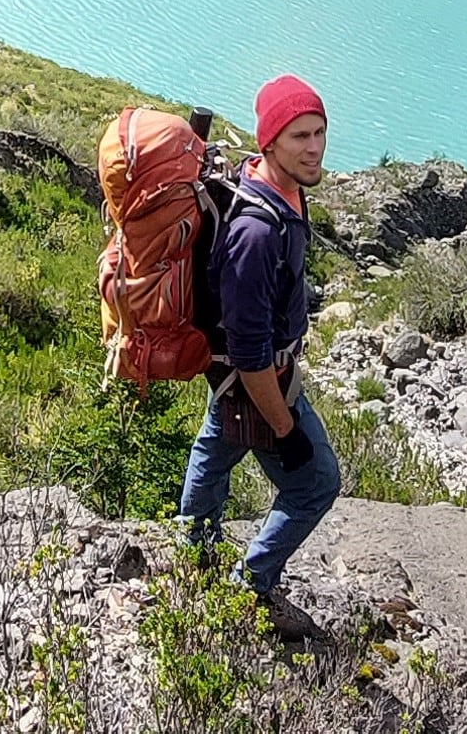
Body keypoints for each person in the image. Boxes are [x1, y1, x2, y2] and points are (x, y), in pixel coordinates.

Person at [178, 72, 341, 636]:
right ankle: (252, 584)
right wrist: (285, 427)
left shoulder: (282, 188)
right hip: (256, 375)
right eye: (300, 136)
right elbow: (249, 357)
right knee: (316, 481)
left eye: (319, 132)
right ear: (268, 142)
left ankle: (192, 554)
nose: (315, 146)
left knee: (218, 442)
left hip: (247, 372)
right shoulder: (255, 233)